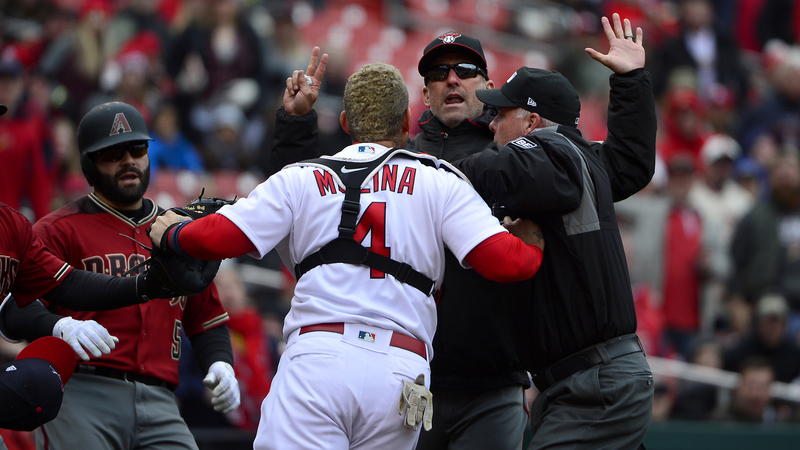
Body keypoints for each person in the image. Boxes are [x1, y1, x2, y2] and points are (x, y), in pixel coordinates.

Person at [276, 13, 656, 450]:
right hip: (409, 375)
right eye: (439, 73)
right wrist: (297, 126)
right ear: (424, 93)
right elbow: (310, 196)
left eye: (466, 71)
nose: (452, 80)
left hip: (495, 385)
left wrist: (631, 83)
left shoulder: (524, 152)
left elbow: (621, 167)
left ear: (488, 86)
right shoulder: (399, 158)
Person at [148, 62, 545, 450]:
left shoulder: (301, 176)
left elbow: (221, 235)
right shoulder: (439, 178)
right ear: (407, 123)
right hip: (400, 372)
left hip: (318, 357)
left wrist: (173, 234)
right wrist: (534, 243)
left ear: (344, 124)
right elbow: (507, 262)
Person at [0, 101, 239, 450]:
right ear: (90, 164)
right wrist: (60, 326)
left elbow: (207, 320)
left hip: (162, 400)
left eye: (137, 148)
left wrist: (222, 364)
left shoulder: (179, 231)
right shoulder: (56, 229)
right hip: (83, 392)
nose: (128, 160)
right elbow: (14, 307)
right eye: (112, 153)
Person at [455, 57, 654, 449]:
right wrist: (631, 81)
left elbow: (498, 170)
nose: (491, 124)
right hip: (585, 383)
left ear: (531, 122)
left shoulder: (553, 150)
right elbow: (630, 160)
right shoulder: (582, 161)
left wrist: (429, 174)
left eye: (501, 113)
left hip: (595, 385)